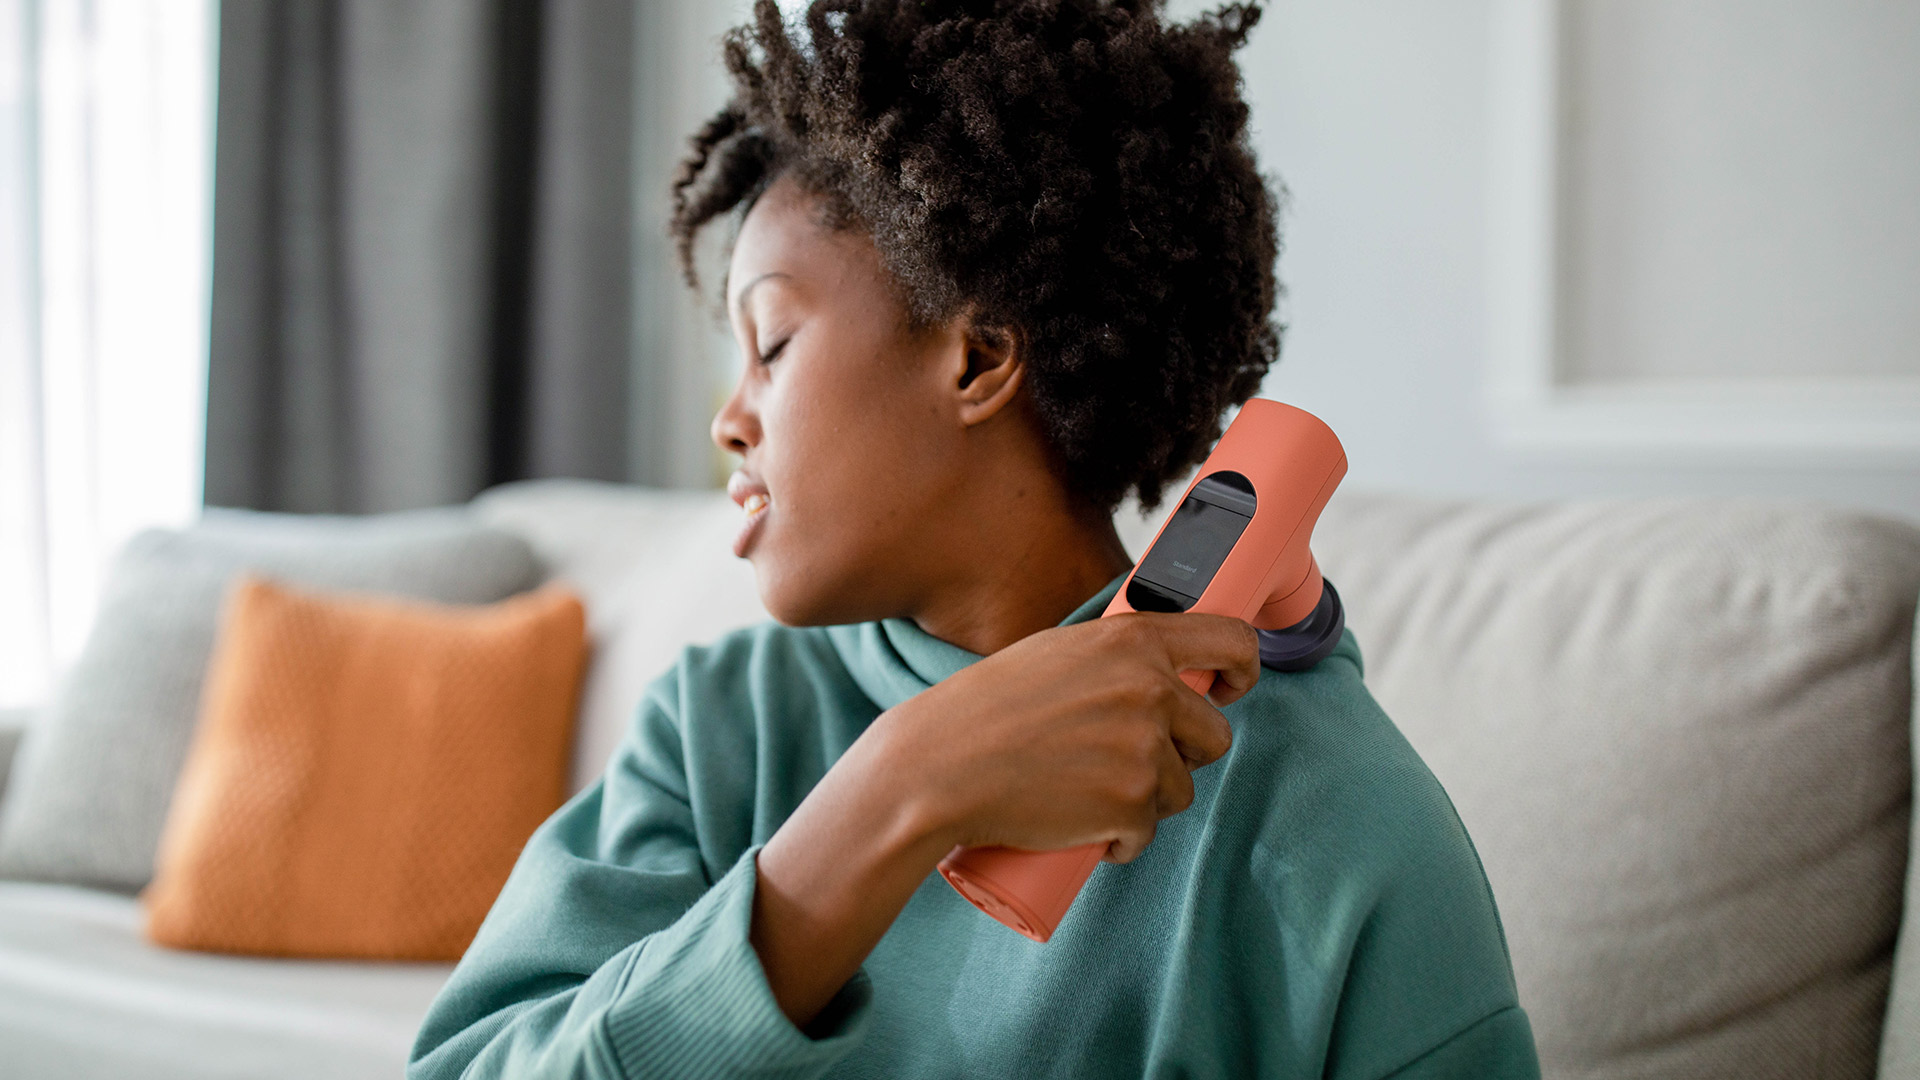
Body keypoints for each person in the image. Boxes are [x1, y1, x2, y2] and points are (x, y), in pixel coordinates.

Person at [409, 2, 1540, 1076]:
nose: (729, 418)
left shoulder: (1331, 826)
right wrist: (897, 791)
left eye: (772, 343)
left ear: (979, 360)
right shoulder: (718, 732)